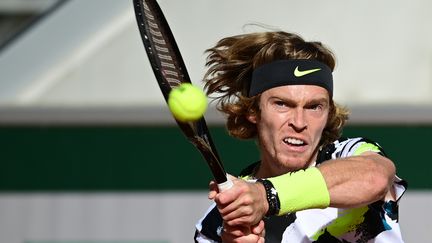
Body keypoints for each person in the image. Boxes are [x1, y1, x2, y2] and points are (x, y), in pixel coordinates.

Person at [194, 30, 407, 243]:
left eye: (314, 107)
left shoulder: (349, 154)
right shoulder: (218, 223)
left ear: (328, 114)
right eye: (282, 104)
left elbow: (375, 177)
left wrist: (266, 196)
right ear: (253, 111)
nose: (299, 122)